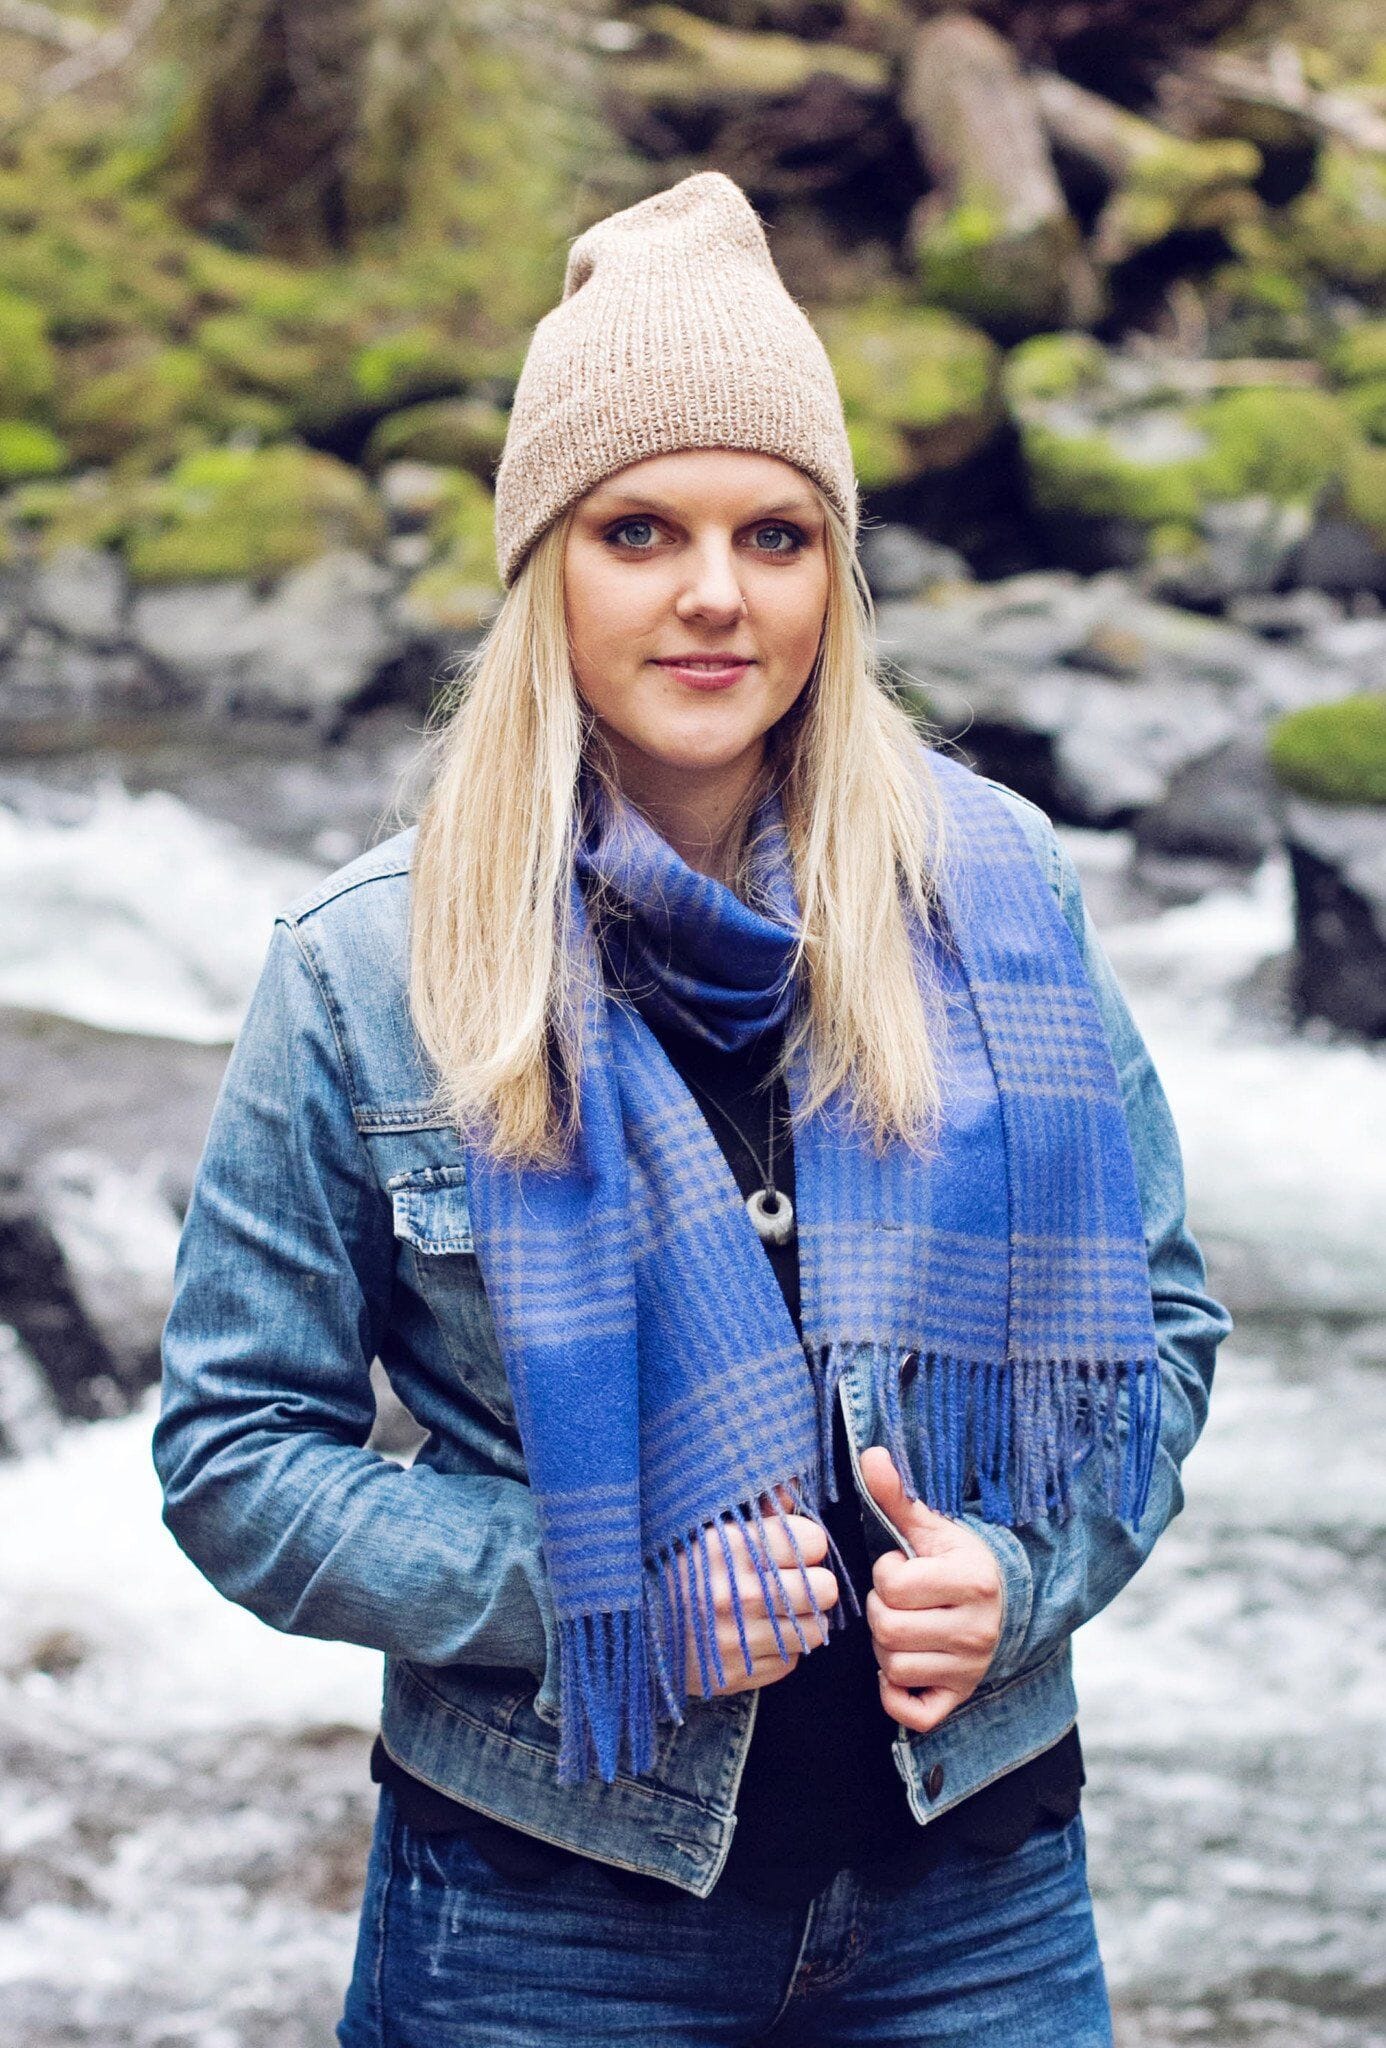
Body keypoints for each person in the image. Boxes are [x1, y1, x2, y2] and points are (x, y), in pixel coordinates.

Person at [153, 171, 1233, 2047]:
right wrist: (594, 1588)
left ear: (834, 575)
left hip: (975, 1891)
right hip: (545, 1918)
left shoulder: (997, 895)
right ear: (545, 569)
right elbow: (234, 1453)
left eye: (775, 534)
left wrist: (1018, 1576)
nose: (715, 594)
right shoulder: (367, 967)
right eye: (639, 529)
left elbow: (1160, 1333)